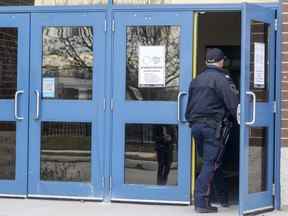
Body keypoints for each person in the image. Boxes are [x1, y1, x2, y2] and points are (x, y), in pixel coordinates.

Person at [185, 48, 239, 213]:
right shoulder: (223, 79)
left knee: (213, 162)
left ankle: (222, 198)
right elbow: (233, 105)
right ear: (221, 61)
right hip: (213, 128)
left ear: (206, 62)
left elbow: (189, 107)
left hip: (196, 126)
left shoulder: (197, 80)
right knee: (211, 163)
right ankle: (201, 202)